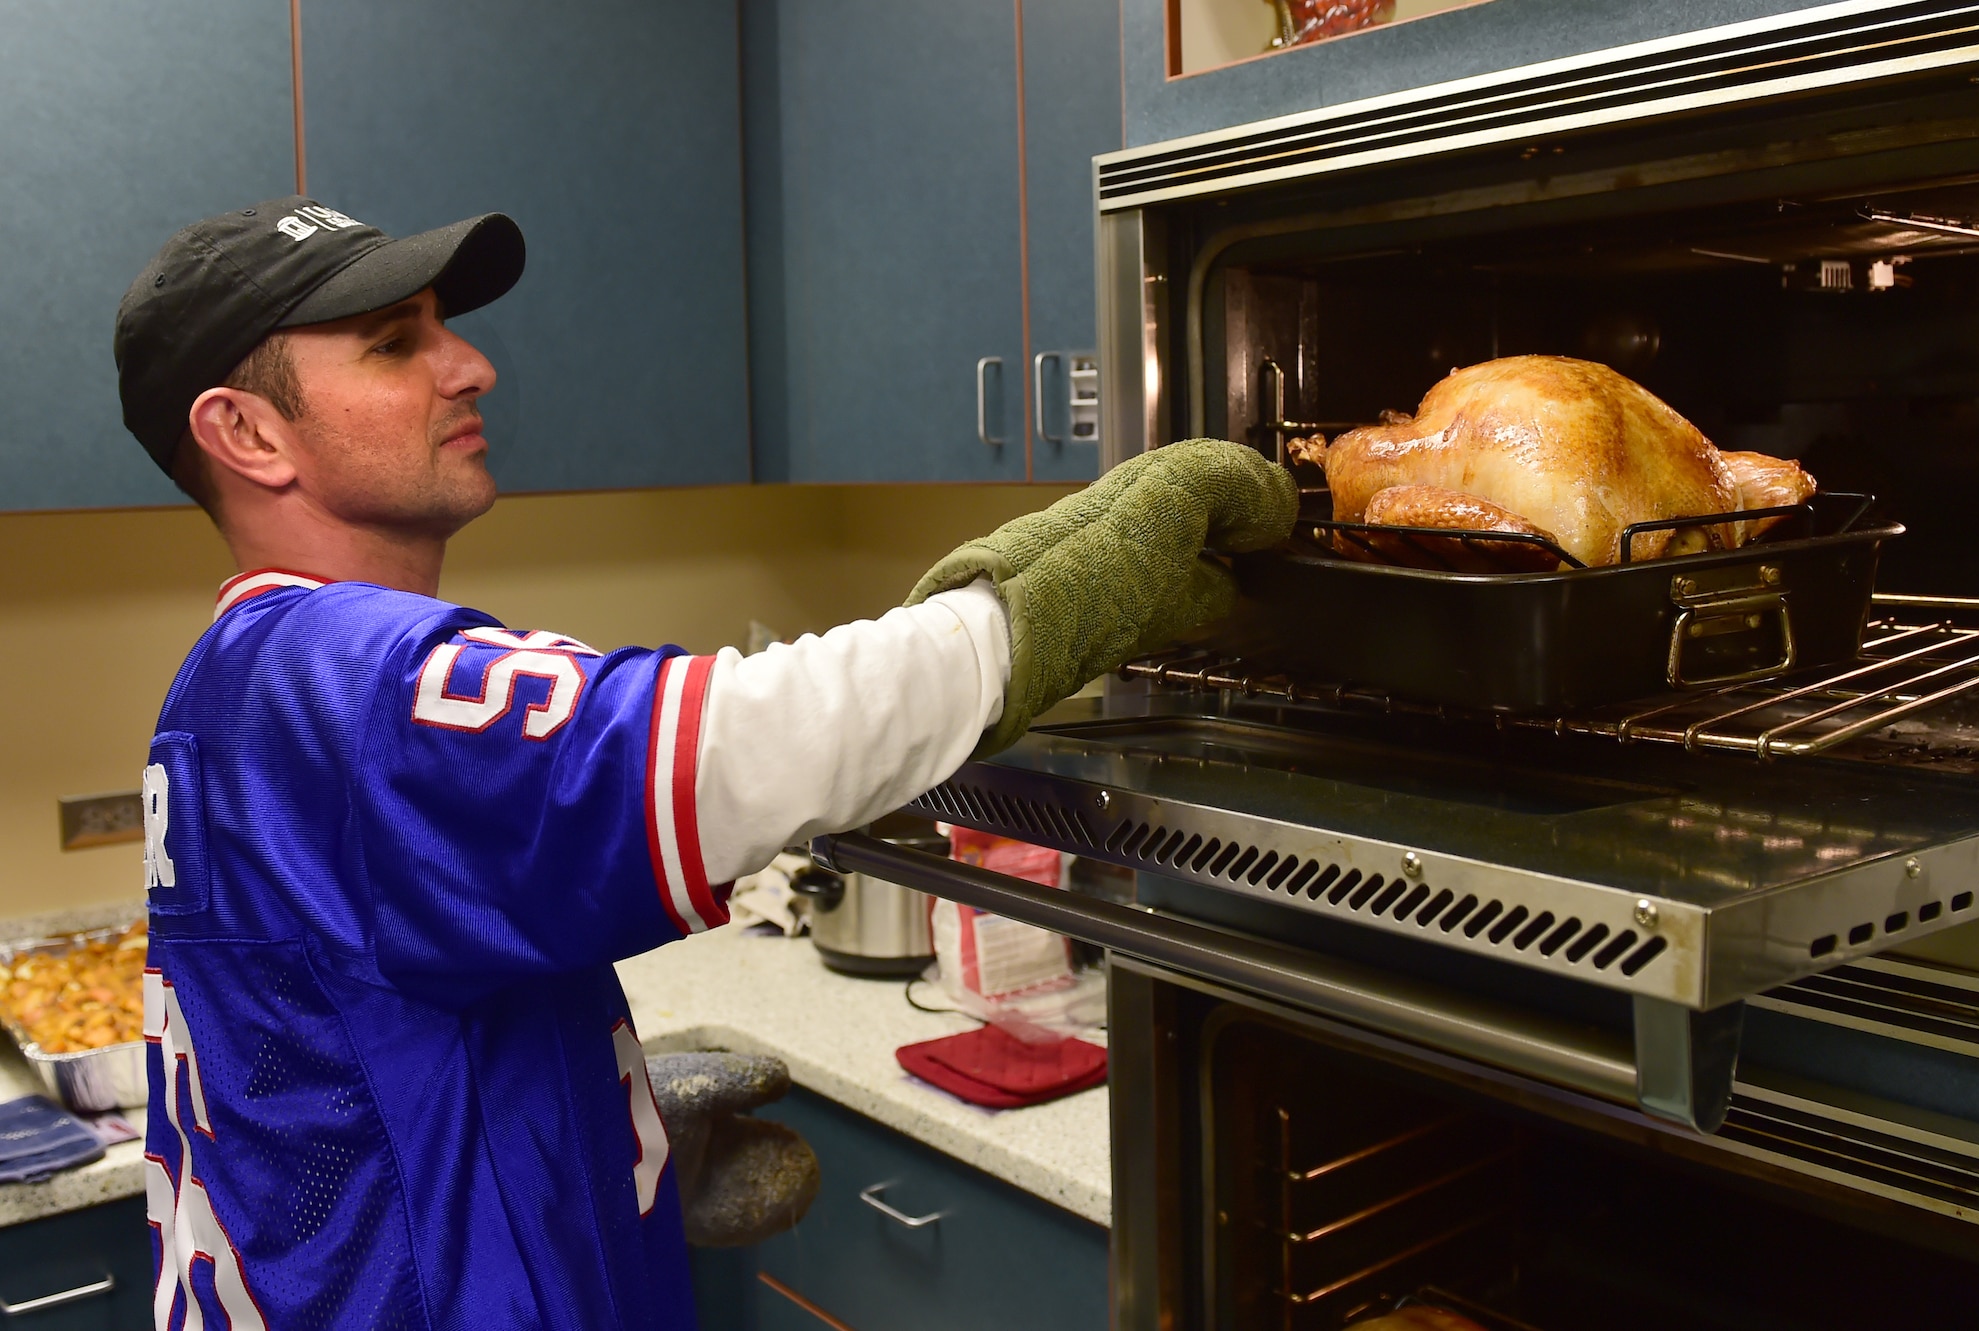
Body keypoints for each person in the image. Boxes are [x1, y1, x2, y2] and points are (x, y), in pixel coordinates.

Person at [114, 197, 1296, 1329]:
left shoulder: (222, 689)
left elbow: (324, 1083)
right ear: (248, 432)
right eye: (390, 344)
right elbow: (739, 747)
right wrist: (1058, 602)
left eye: (443, 327)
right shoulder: (340, 671)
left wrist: (583, 1142)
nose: (468, 366)